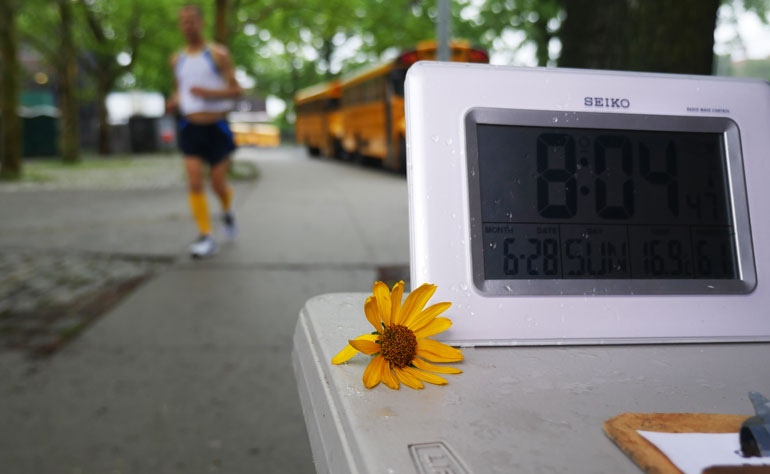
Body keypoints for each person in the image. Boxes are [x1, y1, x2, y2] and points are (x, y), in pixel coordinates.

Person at [167, 4, 242, 258]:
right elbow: (180, 89)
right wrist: (174, 100)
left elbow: (236, 90)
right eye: (183, 21)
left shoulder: (218, 54)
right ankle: (206, 236)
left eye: (191, 20)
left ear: (202, 23)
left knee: (218, 183)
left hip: (217, 128)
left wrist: (208, 93)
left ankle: (228, 210)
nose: (187, 25)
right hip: (190, 127)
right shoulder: (177, 59)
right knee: (195, 180)